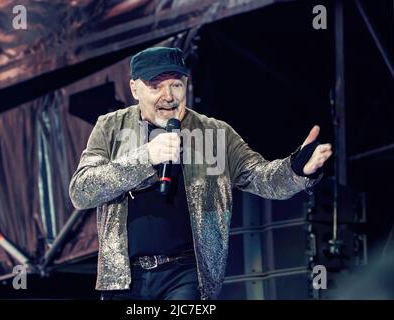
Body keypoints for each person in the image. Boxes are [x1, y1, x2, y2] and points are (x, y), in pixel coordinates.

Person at [69, 47, 332, 300]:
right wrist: (146, 157)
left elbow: (261, 177)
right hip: (124, 278)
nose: (168, 95)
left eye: (176, 84)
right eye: (156, 86)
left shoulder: (215, 134)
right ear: (134, 88)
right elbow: (82, 191)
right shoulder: (110, 127)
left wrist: (297, 169)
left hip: (186, 274)